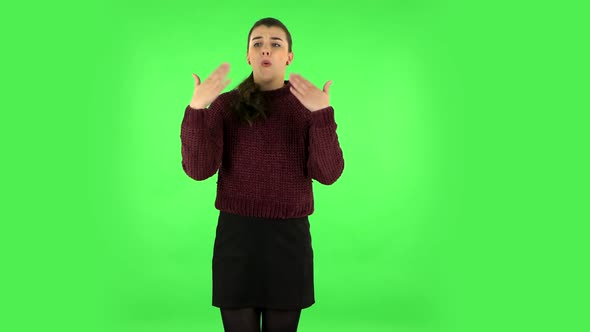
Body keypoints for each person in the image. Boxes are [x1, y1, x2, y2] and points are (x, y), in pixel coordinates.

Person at [180, 17, 344, 332]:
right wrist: (197, 110)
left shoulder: (307, 108)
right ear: (248, 55)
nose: (265, 49)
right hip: (237, 238)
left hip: (289, 240)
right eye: (257, 43)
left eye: (275, 44)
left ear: (289, 57)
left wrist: (322, 115)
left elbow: (329, 173)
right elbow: (199, 169)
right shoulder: (226, 106)